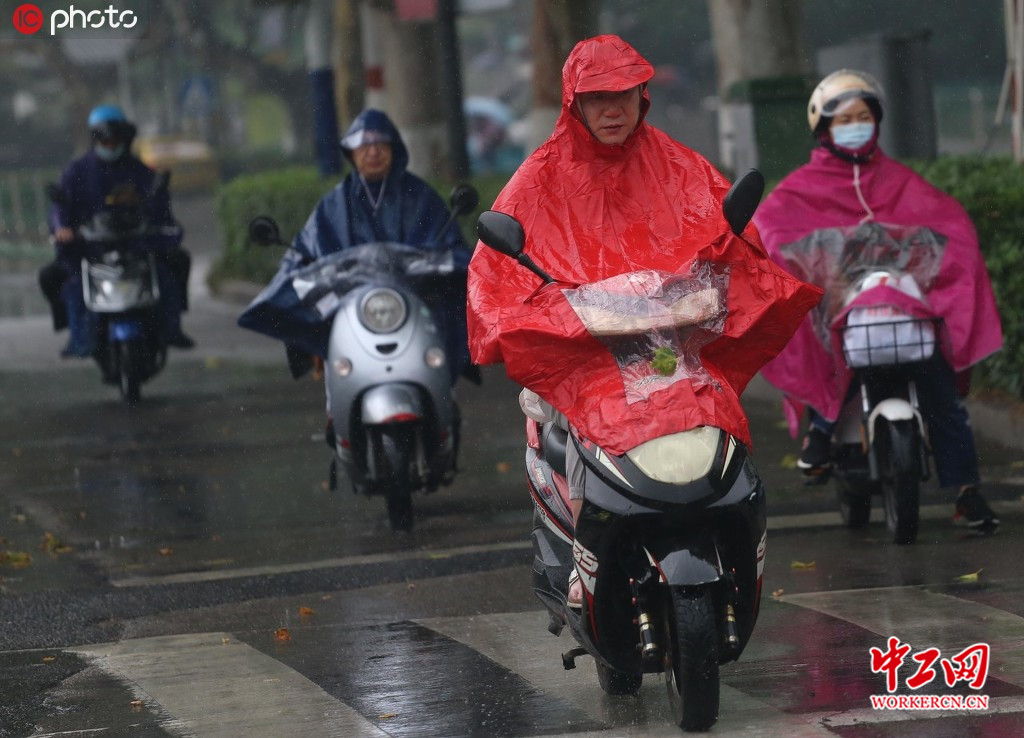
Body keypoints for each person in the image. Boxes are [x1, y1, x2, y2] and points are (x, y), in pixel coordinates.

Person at [466, 35, 820, 607]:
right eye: (597, 98)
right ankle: (584, 554)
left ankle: (736, 535)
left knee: (714, 406)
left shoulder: (681, 167)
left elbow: (727, 240)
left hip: (668, 343)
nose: (612, 110)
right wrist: (548, 312)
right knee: (584, 421)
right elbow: (500, 268)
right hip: (587, 351)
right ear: (574, 102)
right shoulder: (537, 179)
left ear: (642, 97)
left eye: (623, 95)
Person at [752, 69, 1004, 533]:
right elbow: (771, 230)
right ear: (823, 128)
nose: (856, 126)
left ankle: (968, 492)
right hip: (839, 314)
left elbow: (949, 223)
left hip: (907, 311)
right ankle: (822, 430)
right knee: (834, 360)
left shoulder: (900, 181)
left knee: (943, 396)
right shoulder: (800, 189)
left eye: (863, 117)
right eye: (844, 119)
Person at [240, 108, 476, 445]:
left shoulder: (421, 197)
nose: (373, 151)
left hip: (414, 304)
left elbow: (448, 245)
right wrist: (287, 282)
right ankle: (337, 416)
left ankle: (442, 407)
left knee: (445, 318)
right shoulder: (333, 205)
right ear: (351, 153)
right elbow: (306, 250)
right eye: (364, 146)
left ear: (395, 149)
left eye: (381, 144)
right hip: (355, 310)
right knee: (331, 340)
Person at [40, 104, 194, 357]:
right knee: (60, 281)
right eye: (105, 140)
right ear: (95, 139)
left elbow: (159, 207)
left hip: (137, 248)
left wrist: (163, 228)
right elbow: (61, 207)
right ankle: (79, 339)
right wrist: (62, 228)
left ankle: (171, 329)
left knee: (172, 269)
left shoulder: (140, 171)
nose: (110, 145)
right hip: (91, 251)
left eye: (115, 140)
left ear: (125, 137)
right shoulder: (76, 172)